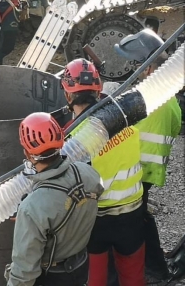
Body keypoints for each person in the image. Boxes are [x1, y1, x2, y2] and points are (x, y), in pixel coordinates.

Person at [60, 58, 146, 286]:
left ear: (68, 95)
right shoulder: (126, 117)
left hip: (96, 221)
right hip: (133, 211)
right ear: (98, 90)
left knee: (94, 278)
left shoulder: (74, 141)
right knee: (133, 275)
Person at [6, 112, 103, 286]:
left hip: (52, 277)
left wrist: (31, 219)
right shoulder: (88, 174)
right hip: (80, 267)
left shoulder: (31, 208)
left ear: (28, 154)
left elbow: (24, 273)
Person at [115, 29, 182, 281]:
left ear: (150, 68)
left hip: (136, 170)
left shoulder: (147, 100)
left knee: (132, 221)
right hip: (148, 171)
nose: (130, 71)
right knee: (139, 217)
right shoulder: (170, 99)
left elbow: (116, 131)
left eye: (135, 65)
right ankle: (153, 269)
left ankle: (154, 270)